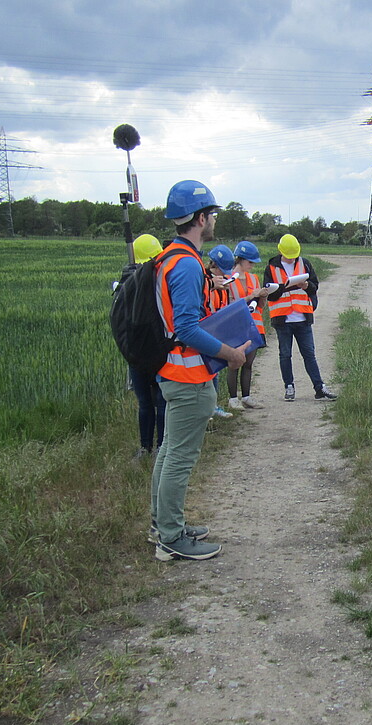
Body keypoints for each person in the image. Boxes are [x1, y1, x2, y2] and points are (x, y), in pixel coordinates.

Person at [149, 180, 252, 561]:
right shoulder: (188, 264)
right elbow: (187, 329)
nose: (213, 221)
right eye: (211, 214)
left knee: (167, 451)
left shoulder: (168, 256)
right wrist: (230, 354)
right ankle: (171, 538)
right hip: (188, 376)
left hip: (172, 370)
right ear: (200, 218)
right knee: (179, 456)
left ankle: (162, 524)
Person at [264, 233, 336, 402]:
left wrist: (306, 285)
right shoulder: (271, 268)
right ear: (281, 252)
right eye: (289, 257)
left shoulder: (305, 264)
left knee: (309, 354)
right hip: (282, 319)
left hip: (302, 318)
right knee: (285, 355)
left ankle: (319, 388)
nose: (291, 259)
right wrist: (282, 288)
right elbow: (269, 294)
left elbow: (314, 287)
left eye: (293, 256)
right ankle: (289, 387)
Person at [120, 233, 167, 457]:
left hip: (139, 354)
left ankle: (152, 447)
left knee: (150, 403)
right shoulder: (128, 282)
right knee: (156, 402)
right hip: (150, 353)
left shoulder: (156, 281)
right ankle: (152, 447)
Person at [226, 241, 269, 411]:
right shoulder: (229, 278)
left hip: (254, 326)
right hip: (235, 326)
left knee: (249, 363)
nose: (252, 265)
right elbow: (229, 306)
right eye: (250, 262)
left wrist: (263, 296)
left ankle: (246, 396)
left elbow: (260, 307)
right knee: (234, 362)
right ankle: (232, 398)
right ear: (240, 260)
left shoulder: (253, 278)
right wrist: (251, 295)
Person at [206, 244, 236, 419]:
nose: (223, 275)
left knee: (214, 371)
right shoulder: (203, 280)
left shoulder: (223, 283)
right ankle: (207, 409)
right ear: (213, 265)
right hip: (205, 331)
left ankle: (213, 406)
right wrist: (211, 286)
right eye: (221, 270)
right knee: (207, 373)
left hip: (217, 331)